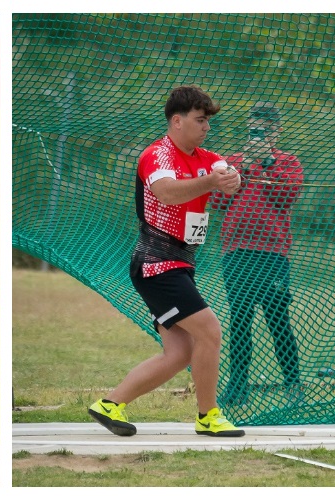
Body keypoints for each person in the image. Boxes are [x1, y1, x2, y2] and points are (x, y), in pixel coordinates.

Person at [87, 85, 245, 438]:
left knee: (178, 354)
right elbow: (166, 193)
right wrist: (212, 181)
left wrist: (232, 178)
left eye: (207, 121)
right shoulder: (156, 155)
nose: (206, 127)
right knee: (210, 331)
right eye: (200, 120)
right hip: (157, 265)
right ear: (177, 121)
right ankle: (208, 416)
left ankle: (109, 405)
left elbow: (228, 179)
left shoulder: (209, 158)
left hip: (180, 264)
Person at [211, 102, 303, 406]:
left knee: (278, 320)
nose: (258, 135)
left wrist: (266, 162)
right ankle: (238, 387)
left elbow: (286, 196)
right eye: (253, 130)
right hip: (236, 253)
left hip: (273, 254)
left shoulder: (288, 162)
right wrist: (244, 167)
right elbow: (218, 202)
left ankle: (293, 385)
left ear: (277, 132)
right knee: (240, 320)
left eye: (264, 131)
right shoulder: (232, 162)